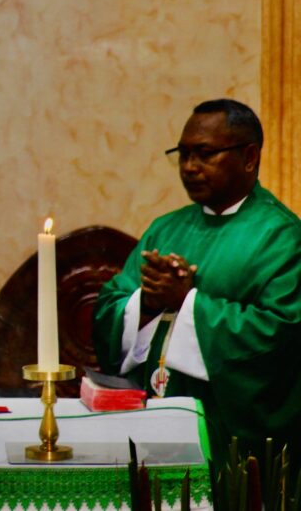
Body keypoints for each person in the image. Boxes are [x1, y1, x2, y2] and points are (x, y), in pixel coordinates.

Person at [93, 99, 301, 463]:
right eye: (183, 154)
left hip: (234, 446)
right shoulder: (165, 228)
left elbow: (282, 333)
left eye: (204, 154)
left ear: (249, 157)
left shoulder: (282, 237)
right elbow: (110, 304)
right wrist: (147, 302)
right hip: (150, 430)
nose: (189, 167)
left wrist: (187, 302)